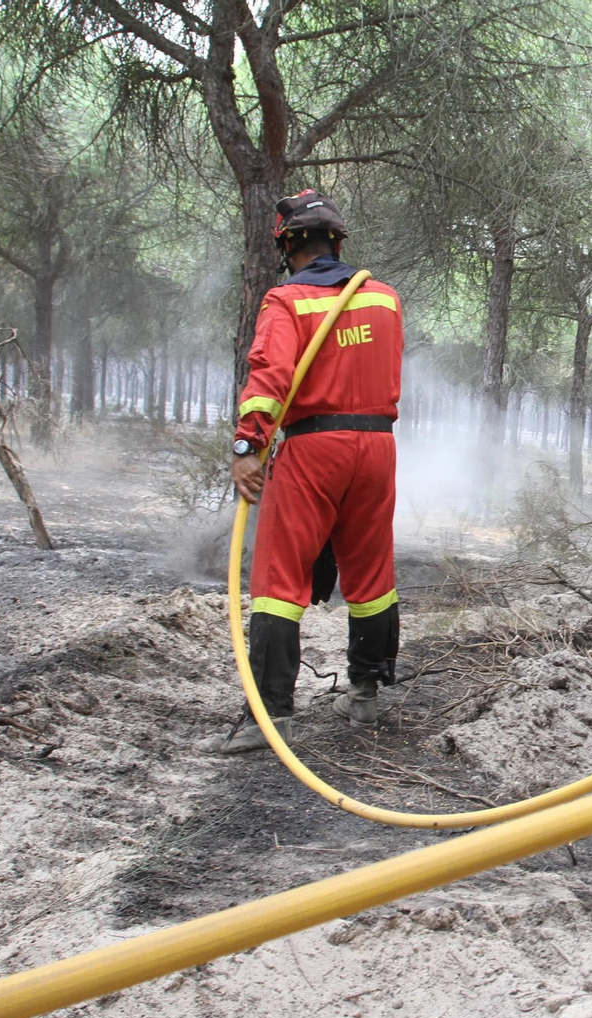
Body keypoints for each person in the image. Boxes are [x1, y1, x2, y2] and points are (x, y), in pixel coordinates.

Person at [197, 189, 404, 755]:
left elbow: (269, 376)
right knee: (371, 570)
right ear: (337, 239)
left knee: (279, 581)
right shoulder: (384, 299)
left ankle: (270, 719)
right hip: (377, 448)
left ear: (288, 245)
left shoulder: (284, 301)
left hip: (315, 447)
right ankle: (366, 694)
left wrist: (247, 446)